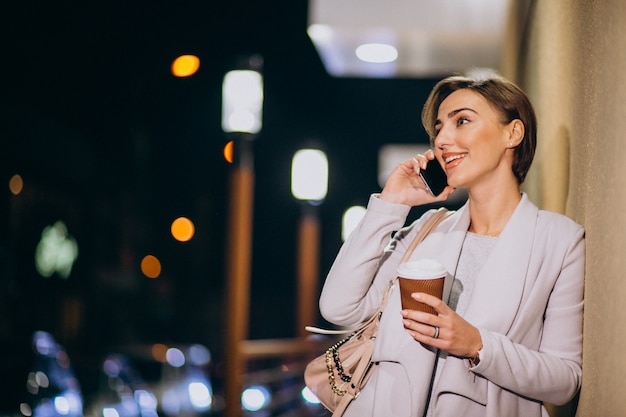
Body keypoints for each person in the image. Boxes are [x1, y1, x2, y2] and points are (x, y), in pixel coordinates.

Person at [318, 73, 584, 417]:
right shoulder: (426, 231)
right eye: (439, 128)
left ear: (512, 133)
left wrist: (477, 344)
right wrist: (391, 203)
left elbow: (565, 381)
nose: (442, 139)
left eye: (462, 121)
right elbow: (339, 308)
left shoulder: (559, 240)